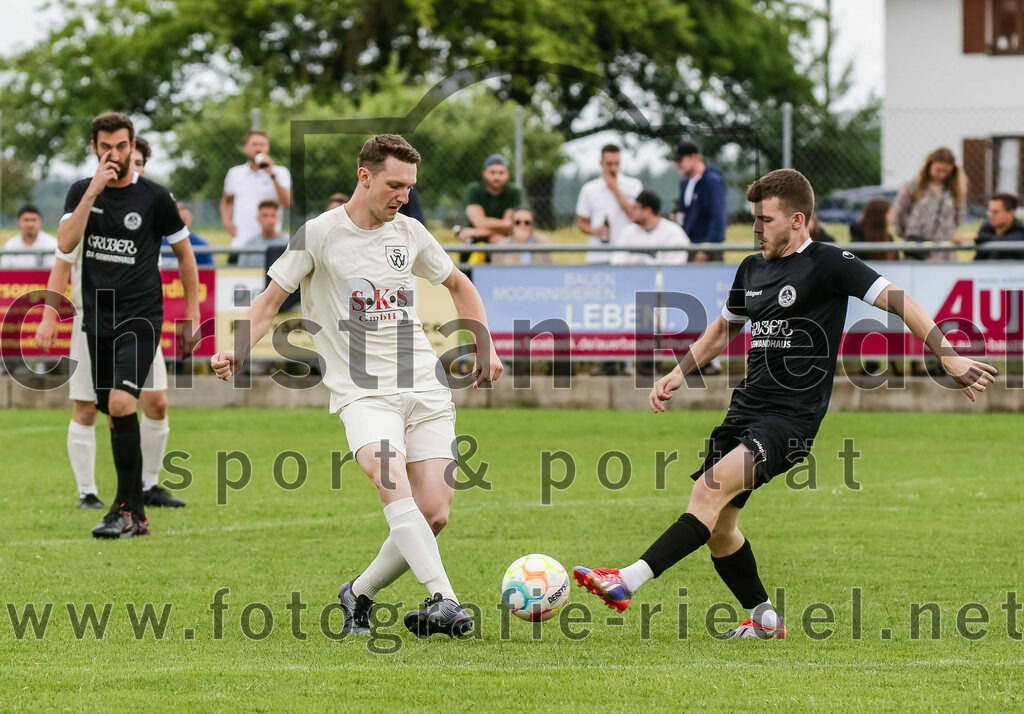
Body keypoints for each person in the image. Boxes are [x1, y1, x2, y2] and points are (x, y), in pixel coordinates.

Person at [573, 168, 997, 639]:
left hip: (790, 421)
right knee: (719, 528)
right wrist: (677, 372)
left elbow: (901, 301)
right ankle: (764, 619)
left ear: (798, 220)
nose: (756, 228)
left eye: (766, 219)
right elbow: (722, 330)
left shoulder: (830, 263)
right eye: (755, 218)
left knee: (707, 493)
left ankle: (626, 580)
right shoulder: (752, 269)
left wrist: (949, 354)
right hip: (745, 410)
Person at [210, 134, 503, 638]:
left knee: (433, 515)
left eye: (409, 187)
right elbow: (270, 300)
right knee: (391, 482)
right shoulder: (318, 234)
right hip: (363, 393)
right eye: (394, 185)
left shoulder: (409, 233)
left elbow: (459, 285)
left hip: (424, 388)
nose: (403, 196)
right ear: (364, 176)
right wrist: (237, 347)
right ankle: (446, 600)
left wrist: (486, 345)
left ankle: (358, 594)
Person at [52, 111, 199, 536]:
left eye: (121, 146)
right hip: (97, 320)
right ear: (95, 149)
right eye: (105, 147)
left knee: (121, 404)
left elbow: (186, 257)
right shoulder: (82, 192)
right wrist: (95, 188)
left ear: (133, 146)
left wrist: (189, 315)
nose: (114, 154)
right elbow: (65, 243)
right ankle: (132, 511)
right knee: (114, 414)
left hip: (140, 315)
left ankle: (128, 510)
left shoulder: (154, 197)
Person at [220, 130, 292, 263]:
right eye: (254, 144)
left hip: (271, 245)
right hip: (241, 241)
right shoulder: (235, 173)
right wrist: (227, 222)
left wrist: (272, 174)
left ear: (267, 148)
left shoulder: (280, 172)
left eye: (262, 144)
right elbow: (226, 201)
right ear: (246, 148)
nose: (258, 148)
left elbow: (287, 202)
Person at [892, 147, 966, 262]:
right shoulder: (913, 185)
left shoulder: (954, 189)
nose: (942, 175)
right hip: (917, 247)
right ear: (929, 166)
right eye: (938, 170)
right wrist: (905, 234)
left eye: (946, 171)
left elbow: (958, 216)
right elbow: (900, 211)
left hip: (943, 247)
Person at [575, 144, 643, 264]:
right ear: (601, 163)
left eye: (617, 163)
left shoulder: (634, 185)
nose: (613, 168)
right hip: (598, 255)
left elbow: (635, 216)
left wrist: (615, 190)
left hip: (626, 254)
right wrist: (594, 230)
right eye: (609, 164)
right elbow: (581, 223)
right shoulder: (589, 189)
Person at [460, 154, 522, 264]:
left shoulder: (514, 192)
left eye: (501, 172)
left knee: (498, 241)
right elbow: (479, 222)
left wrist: (477, 232)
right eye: (492, 172)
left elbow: (508, 225)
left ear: (507, 174)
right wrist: (498, 227)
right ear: (484, 173)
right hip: (477, 241)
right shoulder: (474, 189)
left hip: (501, 239)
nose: (497, 177)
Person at [673, 140, 727, 262]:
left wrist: (706, 249)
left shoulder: (712, 181)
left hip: (708, 249)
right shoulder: (685, 182)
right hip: (690, 245)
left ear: (694, 158)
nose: (677, 164)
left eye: (680, 160)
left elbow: (718, 217)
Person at [611, 190, 690, 266]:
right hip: (630, 279)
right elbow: (618, 263)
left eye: (635, 208)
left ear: (648, 211)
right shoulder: (628, 231)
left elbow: (673, 270)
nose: (631, 211)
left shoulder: (674, 233)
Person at [953, 193, 1024, 261]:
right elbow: (978, 259)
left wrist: (977, 236)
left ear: (1011, 213)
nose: (991, 215)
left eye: (995, 212)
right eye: (990, 211)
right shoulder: (987, 228)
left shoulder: (1019, 230)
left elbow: (1006, 241)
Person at [0, 205, 58, 269]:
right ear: (18, 222)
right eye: (26, 220)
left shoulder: (52, 244)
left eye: (34, 220)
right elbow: (6, 271)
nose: (30, 224)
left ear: (40, 221)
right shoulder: (10, 244)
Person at [162, 201, 215, 267]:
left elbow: (208, 274)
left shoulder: (201, 244)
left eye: (184, 220)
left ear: (190, 219)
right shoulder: (160, 242)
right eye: (178, 220)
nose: (181, 225)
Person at [237, 200, 288, 268]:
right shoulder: (249, 244)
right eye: (265, 215)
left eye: (273, 215)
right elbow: (241, 270)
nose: (269, 220)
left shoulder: (290, 242)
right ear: (258, 218)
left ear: (278, 218)